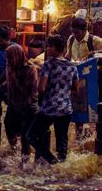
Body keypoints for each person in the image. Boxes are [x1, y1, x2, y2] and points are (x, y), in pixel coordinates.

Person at [27, 35, 79, 164]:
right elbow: (76, 89)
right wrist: (63, 93)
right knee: (62, 143)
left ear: (55, 48)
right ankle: (62, 169)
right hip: (66, 109)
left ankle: (51, 160)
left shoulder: (49, 65)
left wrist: (52, 93)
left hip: (49, 108)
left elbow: (41, 88)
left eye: (49, 46)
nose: (48, 49)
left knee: (31, 136)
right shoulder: (73, 66)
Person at [65, 18, 102, 141]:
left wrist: (94, 53)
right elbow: (68, 56)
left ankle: (95, 137)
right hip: (77, 80)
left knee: (94, 109)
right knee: (78, 109)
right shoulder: (70, 40)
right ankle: (79, 138)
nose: (75, 35)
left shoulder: (94, 40)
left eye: (77, 33)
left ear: (84, 30)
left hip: (92, 80)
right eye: (73, 32)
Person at [0, 45, 39, 162]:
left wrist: (14, 79)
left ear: (17, 57)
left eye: (10, 58)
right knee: (9, 128)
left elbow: (29, 92)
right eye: (7, 58)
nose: (8, 61)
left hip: (27, 107)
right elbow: (5, 77)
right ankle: (15, 152)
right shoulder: (10, 66)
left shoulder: (30, 70)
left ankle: (24, 164)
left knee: (25, 137)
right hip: (14, 105)